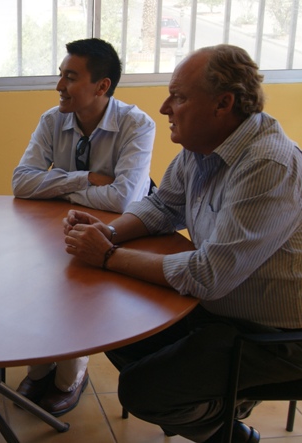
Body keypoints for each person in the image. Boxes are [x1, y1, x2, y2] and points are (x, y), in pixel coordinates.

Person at [63, 44, 302, 443]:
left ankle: (230, 432)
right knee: (107, 323)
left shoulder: (268, 165)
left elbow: (208, 276)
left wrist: (107, 256)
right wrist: (110, 233)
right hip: (218, 311)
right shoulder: (202, 147)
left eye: (179, 96)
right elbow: (161, 207)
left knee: (143, 391)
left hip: (275, 336)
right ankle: (218, 398)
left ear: (223, 104)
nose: (165, 107)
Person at [11, 38, 156, 417]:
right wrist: (86, 178)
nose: (59, 85)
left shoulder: (137, 124)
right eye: (60, 75)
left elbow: (123, 201)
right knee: (41, 279)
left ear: (102, 86)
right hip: (59, 225)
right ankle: (41, 366)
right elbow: (21, 183)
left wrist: (58, 186)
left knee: (80, 287)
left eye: (70, 77)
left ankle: (70, 374)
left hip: (121, 231)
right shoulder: (51, 120)